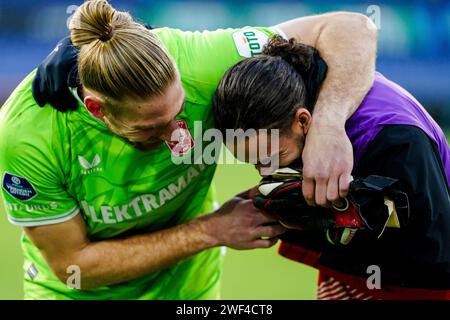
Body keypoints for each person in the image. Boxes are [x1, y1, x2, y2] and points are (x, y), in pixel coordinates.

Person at [0, 0, 377, 299]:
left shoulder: (203, 60)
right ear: (97, 109)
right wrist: (210, 230)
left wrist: (329, 124)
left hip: (189, 292)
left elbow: (352, 28)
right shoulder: (28, 135)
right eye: (151, 129)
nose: (178, 138)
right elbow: (73, 265)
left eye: (180, 111)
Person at [213, 36, 450, 300]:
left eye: (272, 157)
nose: (266, 174)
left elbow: (435, 262)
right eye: (254, 163)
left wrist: (329, 220)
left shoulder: (396, 143)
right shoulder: (299, 89)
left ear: (303, 120)